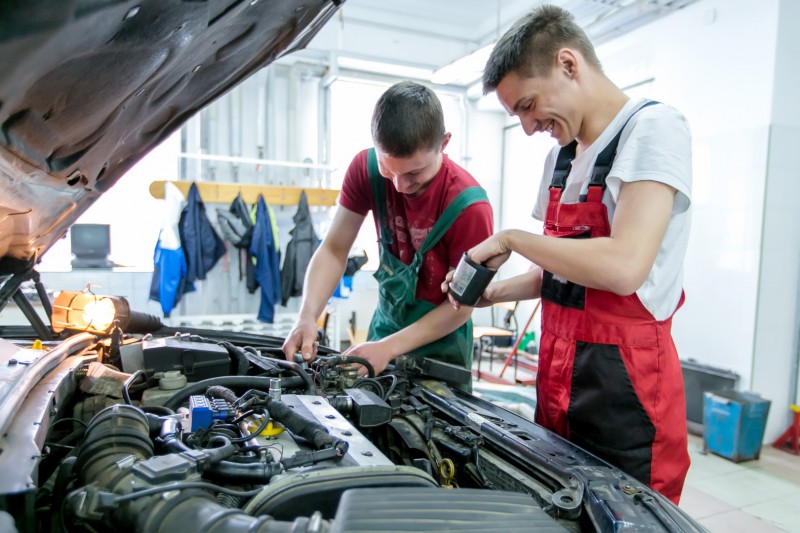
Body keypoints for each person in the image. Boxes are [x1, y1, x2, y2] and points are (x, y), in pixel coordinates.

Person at [444, 5, 692, 504]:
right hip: (558, 377)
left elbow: (624, 267)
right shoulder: (560, 159)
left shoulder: (652, 130)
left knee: (626, 514)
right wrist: (492, 294)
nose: (531, 126)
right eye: (519, 115)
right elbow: (557, 271)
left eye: (529, 105)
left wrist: (511, 238)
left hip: (626, 389)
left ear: (568, 64)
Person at [282, 81, 494, 380]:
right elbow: (334, 249)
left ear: (444, 144)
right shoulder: (364, 170)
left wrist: (387, 348)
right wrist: (307, 316)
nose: (399, 185)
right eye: (388, 169)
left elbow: (460, 307)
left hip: (441, 350)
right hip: (383, 333)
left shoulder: (469, 207)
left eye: (414, 173)